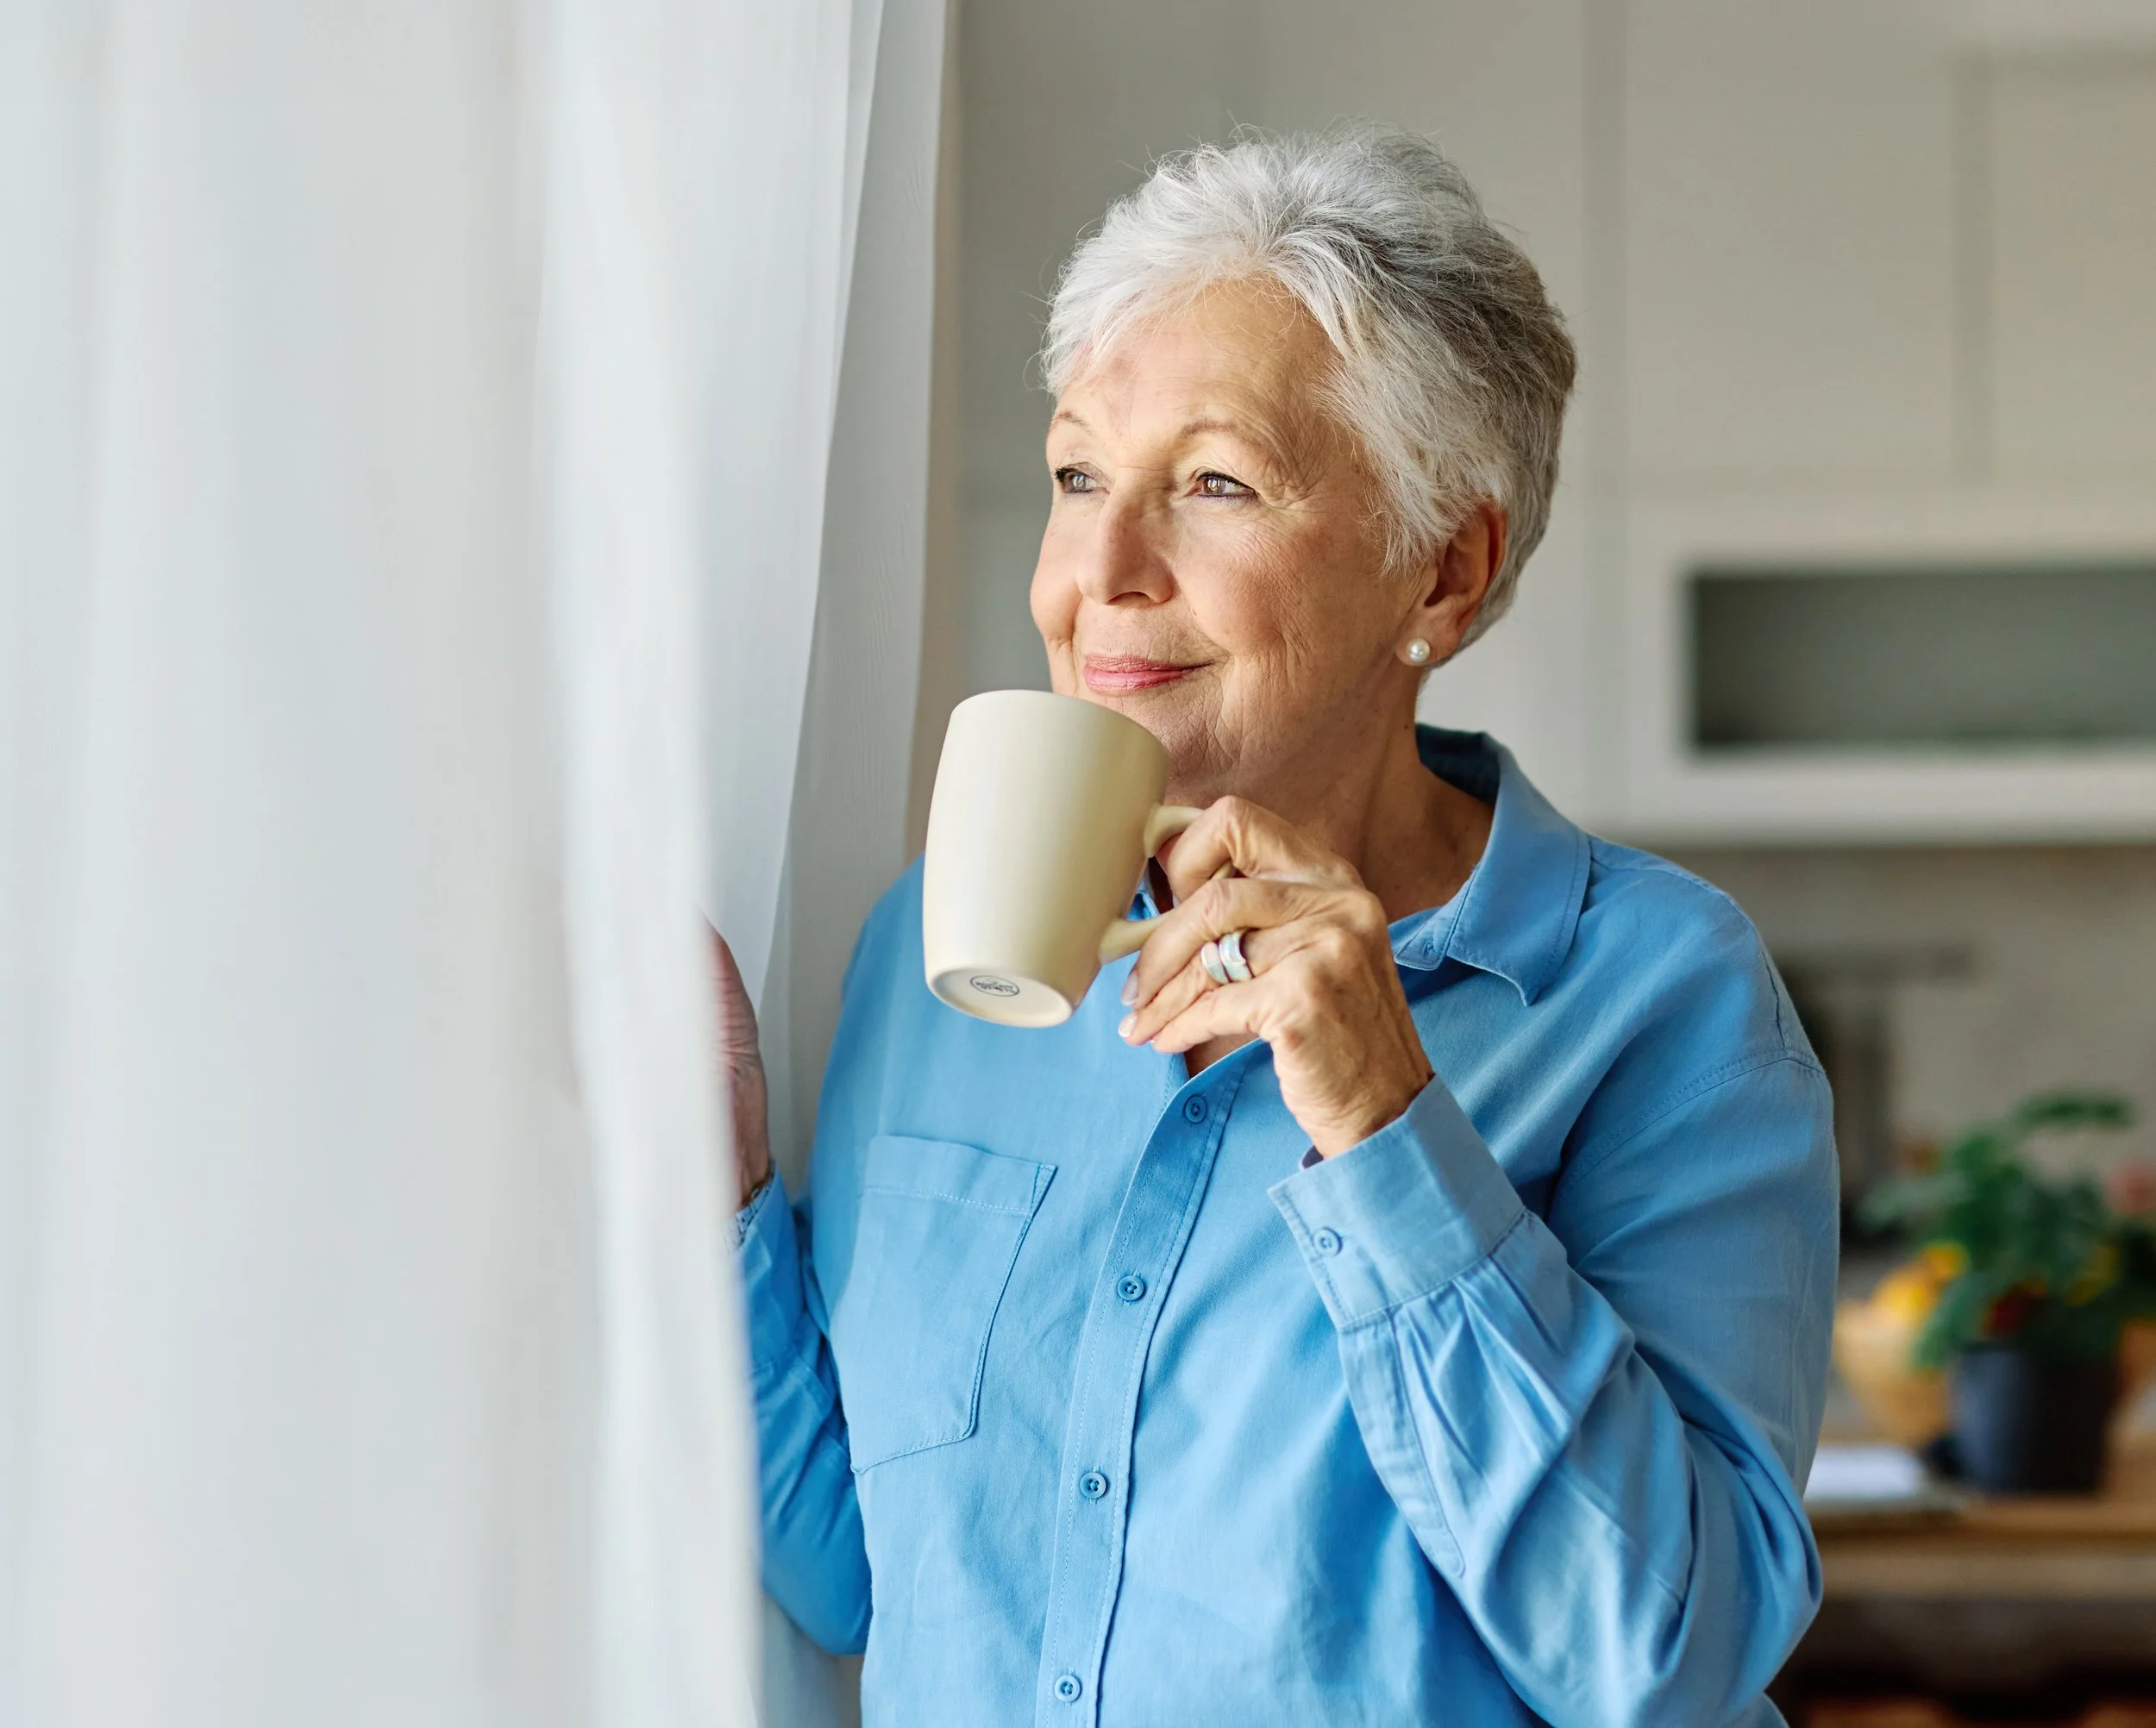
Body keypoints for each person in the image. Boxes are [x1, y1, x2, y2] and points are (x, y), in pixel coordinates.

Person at [717, 123, 1836, 1726]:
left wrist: (1387, 1127)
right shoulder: (938, 944)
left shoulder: (1656, 998)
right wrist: (721, 1186)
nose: (1098, 572)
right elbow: (862, 1572)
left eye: (1216, 485)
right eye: (1078, 475)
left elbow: (1662, 1662)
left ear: (1441, 575)